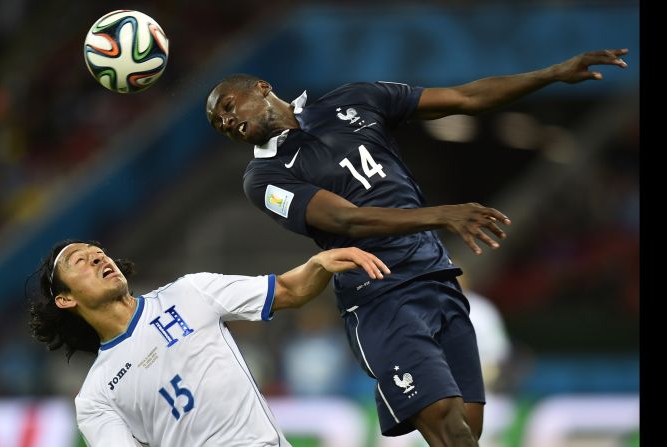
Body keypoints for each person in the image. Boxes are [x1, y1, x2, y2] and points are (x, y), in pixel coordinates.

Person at [205, 48, 628, 446]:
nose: (225, 122)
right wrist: (441, 215)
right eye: (218, 125)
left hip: (437, 277)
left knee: (468, 431)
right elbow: (345, 218)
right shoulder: (262, 179)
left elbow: (466, 97)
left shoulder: (355, 99)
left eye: (227, 107)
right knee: (448, 424)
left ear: (261, 87)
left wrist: (551, 74)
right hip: (380, 295)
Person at [29, 239, 389, 446]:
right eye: (81, 261)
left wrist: (319, 264)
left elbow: (288, 289)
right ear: (65, 299)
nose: (97, 257)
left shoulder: (190, 293)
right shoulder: (95, 397)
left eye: (98, 252)